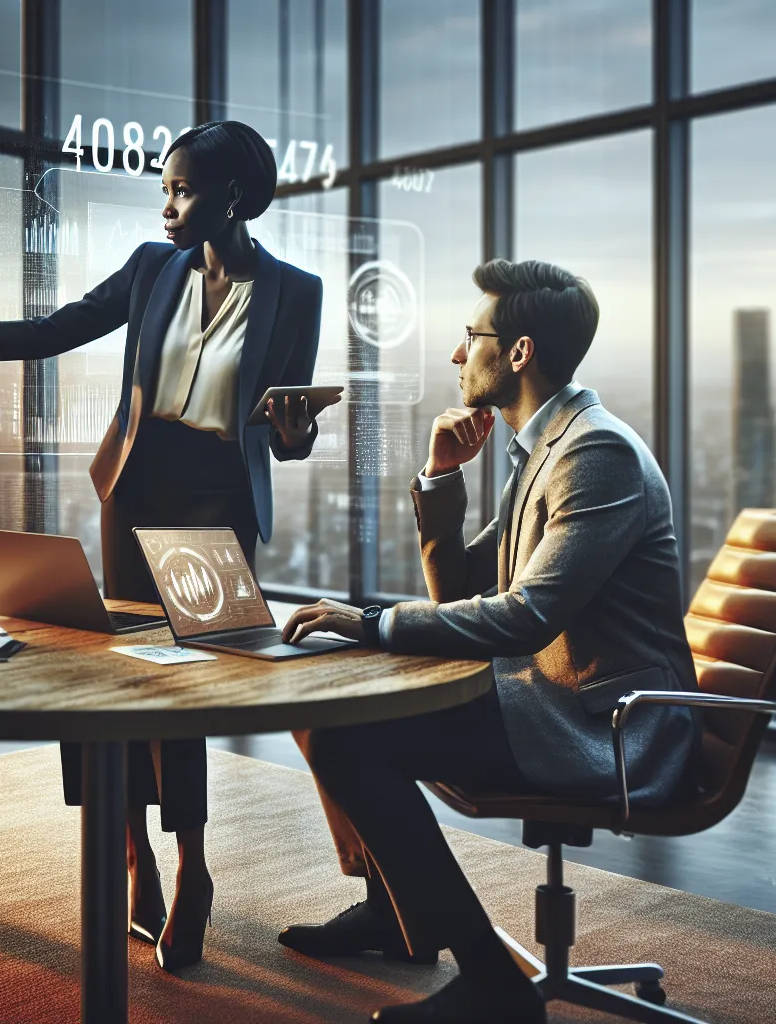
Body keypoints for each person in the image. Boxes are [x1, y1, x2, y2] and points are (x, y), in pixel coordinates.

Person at [0, 120, 327, 972]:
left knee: (186, 688)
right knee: (116, 673)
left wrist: (293, 430)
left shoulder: (296, 292)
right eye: (164, 190)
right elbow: (50, 331)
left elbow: (291, 437)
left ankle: (193, 867)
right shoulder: (151, 269)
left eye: (183, 190)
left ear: (233, 196)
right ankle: (133, 857)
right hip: (135, 490)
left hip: (217, 499)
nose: (167, 207)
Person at [278, 259, 701, 1023]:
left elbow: (524, 617)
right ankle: (395, 914)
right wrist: (442, 478)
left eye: (471, 336)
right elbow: (462, 597)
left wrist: (370, 622)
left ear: (518, 352)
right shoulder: (549, 447)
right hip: (553, 703)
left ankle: (492, 984)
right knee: (322, 697)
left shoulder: (594, 454)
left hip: (608, 729)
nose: (456, 353)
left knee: (346, 737)